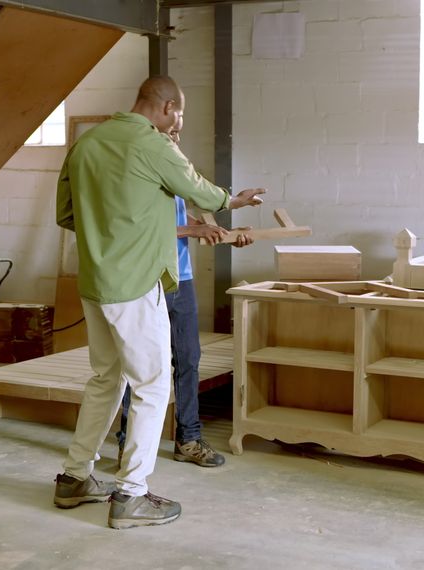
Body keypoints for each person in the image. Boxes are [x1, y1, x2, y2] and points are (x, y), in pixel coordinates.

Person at [52, 75, 265, 530]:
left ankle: (74, 478)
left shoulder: (87, 144)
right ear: (168, 107)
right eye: (180, 114)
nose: (179, 122)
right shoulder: (152, 144)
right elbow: (204, 195)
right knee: (151, 385)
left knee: (106, 378)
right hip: (135, 283)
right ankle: (131, 495)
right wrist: (235, 200)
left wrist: (111, 231)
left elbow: (66, 214)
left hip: (95, 283)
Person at [114, 117, 254, 470]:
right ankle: (127, 444)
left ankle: (188, 439)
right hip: (149, 278)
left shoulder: (176, 175)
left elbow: (185, 220)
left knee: (188, 359)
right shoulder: (141, 173)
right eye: (169, 132)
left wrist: (223, 233)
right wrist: (194, 231)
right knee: (141, 365)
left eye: (178, 133)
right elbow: (145, 228)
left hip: (182, 278)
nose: (175, 137)